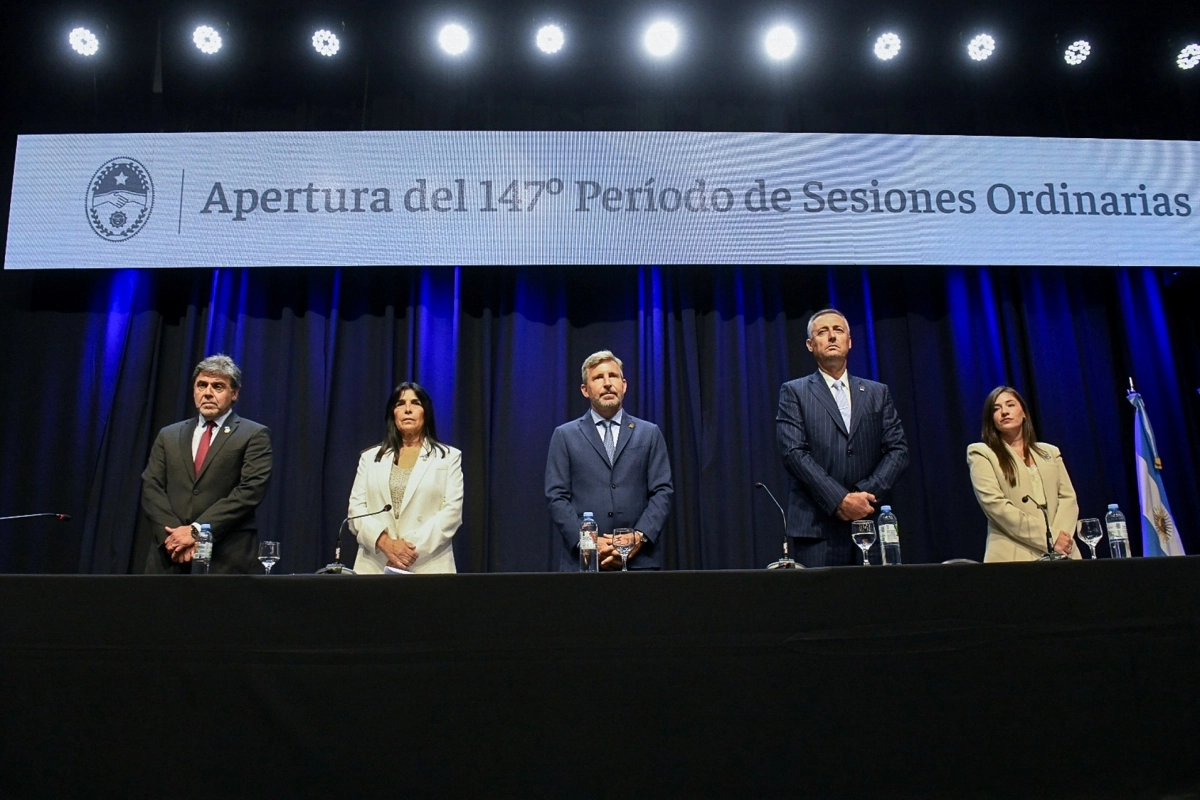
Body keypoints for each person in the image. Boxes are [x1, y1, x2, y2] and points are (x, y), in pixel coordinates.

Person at [775, 309, 909, 567]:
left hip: (869, 519)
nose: (832, 337)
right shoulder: (794, 392)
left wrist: (863, 495)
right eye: (822, 332)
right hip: (817, 526)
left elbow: (898, 450)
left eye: (838, 330)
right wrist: (840, 500)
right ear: (810, 345)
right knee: (824, 605)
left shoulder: (877, 393)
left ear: (850, 340)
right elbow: (793, 453)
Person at [141, 354, 273, 573]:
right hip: (170, 553)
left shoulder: (254, 434)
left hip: (226, 556)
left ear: (234, 394)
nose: (208, 393)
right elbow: (151, 487)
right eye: (201, 385)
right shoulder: (169, 435)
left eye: (218, 386)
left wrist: (195, 531)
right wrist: (174, 537)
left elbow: (250, 491)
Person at [545, 351, 673, 571]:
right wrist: (589, 542)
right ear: (585, 390)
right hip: (583, 562)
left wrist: (638, 537)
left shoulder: (649, 433)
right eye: (598, 378)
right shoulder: (565, 436)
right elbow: (556, 496)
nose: (607, 384)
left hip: (640, 562)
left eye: (613, 376)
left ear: (624, 385)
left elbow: (662, 491)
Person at [348, 382, 463, 574]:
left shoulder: (448, 458)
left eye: (415, 403)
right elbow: (355, 511)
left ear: (425, 412)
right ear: (393, 413)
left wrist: (405, 551)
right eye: (400, 404)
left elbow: (452, 514)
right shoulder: (370, 459)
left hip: (427, 566)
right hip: (375, 565)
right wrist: (385, 543)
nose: (408, 409)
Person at [967, 386, 1079, 562]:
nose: (1004, 412)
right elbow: (995, 505)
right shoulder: (981, 453)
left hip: (1063, 551)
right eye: (996, 409)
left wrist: (1060, 538)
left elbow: (1067, 498)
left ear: (1024, 412)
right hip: (1012, 553)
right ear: (991, 419)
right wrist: (1048, 538)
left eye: (1010, 405)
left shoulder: (1050, 451)